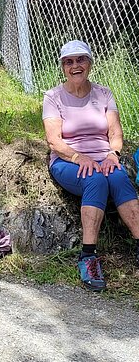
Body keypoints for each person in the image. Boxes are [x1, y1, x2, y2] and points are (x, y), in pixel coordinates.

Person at [43, 40, 139, 291]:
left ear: (90, 63)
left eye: (80, 60)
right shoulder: (53, 97)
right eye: (69, 62)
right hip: (68, 161)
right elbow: (54, 141)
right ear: (63, 67)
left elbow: (116, 133)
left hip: (103, 157)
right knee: (95, 180)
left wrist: (112, 155)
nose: (75, 66)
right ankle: (88, 257)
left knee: (118, 178)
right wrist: (79, 158)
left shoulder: (103, 93)